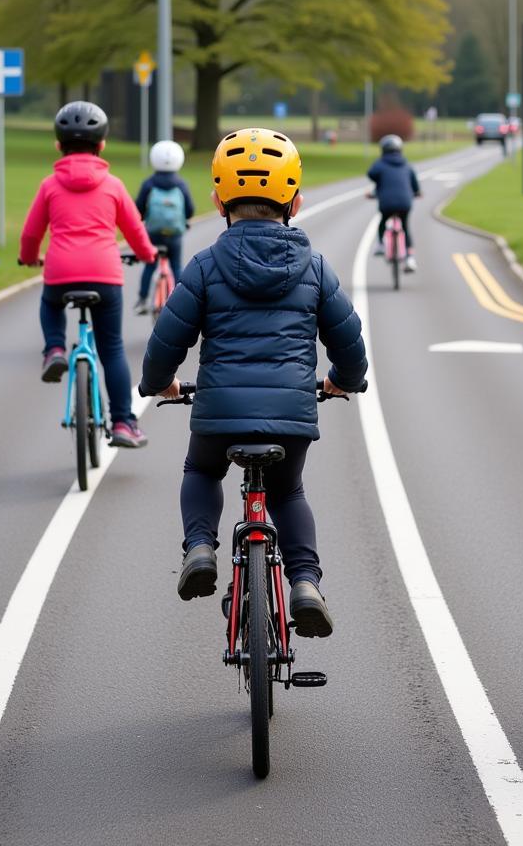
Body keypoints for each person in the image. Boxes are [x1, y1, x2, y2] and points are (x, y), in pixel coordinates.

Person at [139, 127, 368, 637]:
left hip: (218, 414)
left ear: (219, 199)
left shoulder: (203, 266)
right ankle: (305, 583)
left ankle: (200, 548)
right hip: (291, 416)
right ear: (296, 200)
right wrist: (341, 380)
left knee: (200, 471)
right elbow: (349, 341)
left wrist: (159, 383)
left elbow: (166, 340)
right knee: (289, 492)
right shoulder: (314, 268)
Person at [19, 101, 157, 449]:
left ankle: (53, 349)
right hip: (104, 274)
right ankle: (124, 422)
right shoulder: (112, 184)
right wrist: (147, 255)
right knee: (111, 349)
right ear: (103, 144)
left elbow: (31, 233)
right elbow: (135, 229)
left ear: (58, 145)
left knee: (50, 303)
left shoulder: (50, 185)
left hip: (61, 270)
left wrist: (29, 258)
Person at [133, 140, 194, 314]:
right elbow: (189, 210)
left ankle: (143, 300)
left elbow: (139, 208)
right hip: (174, 235)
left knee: (150, 265)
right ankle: (181, 301)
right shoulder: (181, 184)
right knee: (176, 266)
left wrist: (145, 218)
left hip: (153, 234)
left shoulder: (149, 183)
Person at [367, 133, 421, 272]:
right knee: (405, 228)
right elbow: (415, 185)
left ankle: (380, 245)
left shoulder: (380, 164)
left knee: (383, 221)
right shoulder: (407, 165)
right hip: (405, 203)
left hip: (386, 203)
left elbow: (371, 174)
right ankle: (409, 258)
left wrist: (379, 185)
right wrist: (417, 192)